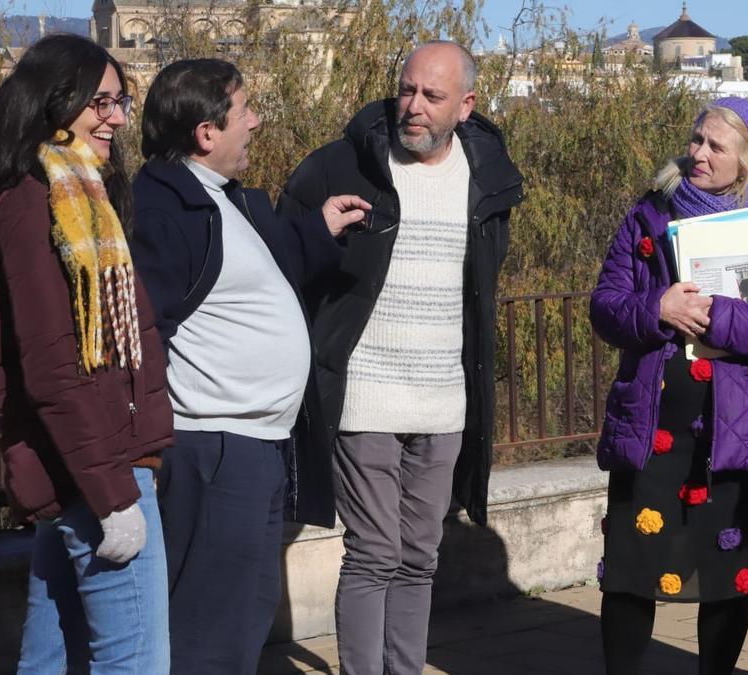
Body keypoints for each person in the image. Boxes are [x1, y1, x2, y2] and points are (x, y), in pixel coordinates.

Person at [276, 41, 523, 675]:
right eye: (407, 90)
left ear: (465, 105)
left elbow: (478, 290)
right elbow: (284, 256)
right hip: (365, 393)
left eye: (432, 97)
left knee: (420, 555)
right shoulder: (342, 166)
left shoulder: (487, 180)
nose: (413, 107)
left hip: (444, 400)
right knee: (373, 552)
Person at [129, 59, 369, 673]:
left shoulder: (219, 198)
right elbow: (138, 329)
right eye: (244, 110)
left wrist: (318, 228)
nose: (256, 122)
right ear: (206, 132)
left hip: (254, 445)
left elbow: (260, 268)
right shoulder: (165, 210)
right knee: (210, 630)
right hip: (213, 448)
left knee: (243, 620)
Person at [0, 34, 173, 672]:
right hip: (96, 468)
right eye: (99, 102)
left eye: (121, 102)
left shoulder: (72, 193)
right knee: (134, 661)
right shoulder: (35, 205)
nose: (116, 118)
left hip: (81, 462)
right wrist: (114, 496)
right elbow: (52, 371)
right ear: (54, 103)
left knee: (52, 656)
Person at [590, 97, 748, 675]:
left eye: (716, 146)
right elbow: (605, 307)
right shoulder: (650, 213)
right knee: (629, 568)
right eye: (696, 140)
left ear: (746, 159)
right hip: (652, 424)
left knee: (725, 573)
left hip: (734, 433)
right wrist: (657, 307)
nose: (697, 154)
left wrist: (719, 316)